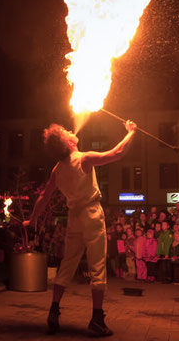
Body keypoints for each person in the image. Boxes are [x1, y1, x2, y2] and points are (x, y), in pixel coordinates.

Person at [24, 119, 137, 336]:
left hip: (73, 217)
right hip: (92, 214)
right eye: (66, 132)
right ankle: (96, 319)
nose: (70, 130)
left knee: (68, 264)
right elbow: (118, 152)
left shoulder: (57, 170)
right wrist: (131, 132)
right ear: (68, 144)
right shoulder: (83, 159)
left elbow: (43, 197)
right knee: (97, 266)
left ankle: (54, 311)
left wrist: (32, 219)